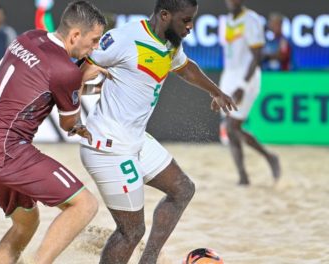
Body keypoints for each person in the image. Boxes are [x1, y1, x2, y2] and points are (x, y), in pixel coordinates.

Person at [79, 0, 237, 263]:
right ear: (164, 15)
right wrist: (68, 103)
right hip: (108, 146)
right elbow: (79, 69)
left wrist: (216, 91)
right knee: (132, 231)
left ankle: (148, 260)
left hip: (135, 139)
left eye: (192, 19)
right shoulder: (123, 38)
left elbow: (185, 67)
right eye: (185, 20)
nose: (190, 26)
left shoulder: (170, 41)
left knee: (183, 189)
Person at [0, 1, 108, 263]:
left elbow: (43, 83)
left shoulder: (28, 37)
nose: (96, 47)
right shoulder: (66, 72)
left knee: (25, 224)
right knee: (85, 205)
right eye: (94, 40)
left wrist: (79, 82)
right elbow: (68, 125)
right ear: (75, 35)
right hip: (7, 152)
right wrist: (81, 80)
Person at [219, 0, 281, 185]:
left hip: (247, 78)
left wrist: (243, 85)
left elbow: (257, 56)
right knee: (231, 130)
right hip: (229, 76)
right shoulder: (227, 20)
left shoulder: (251, 19)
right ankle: (244, 175)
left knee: (232, 126)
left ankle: (267, 158)